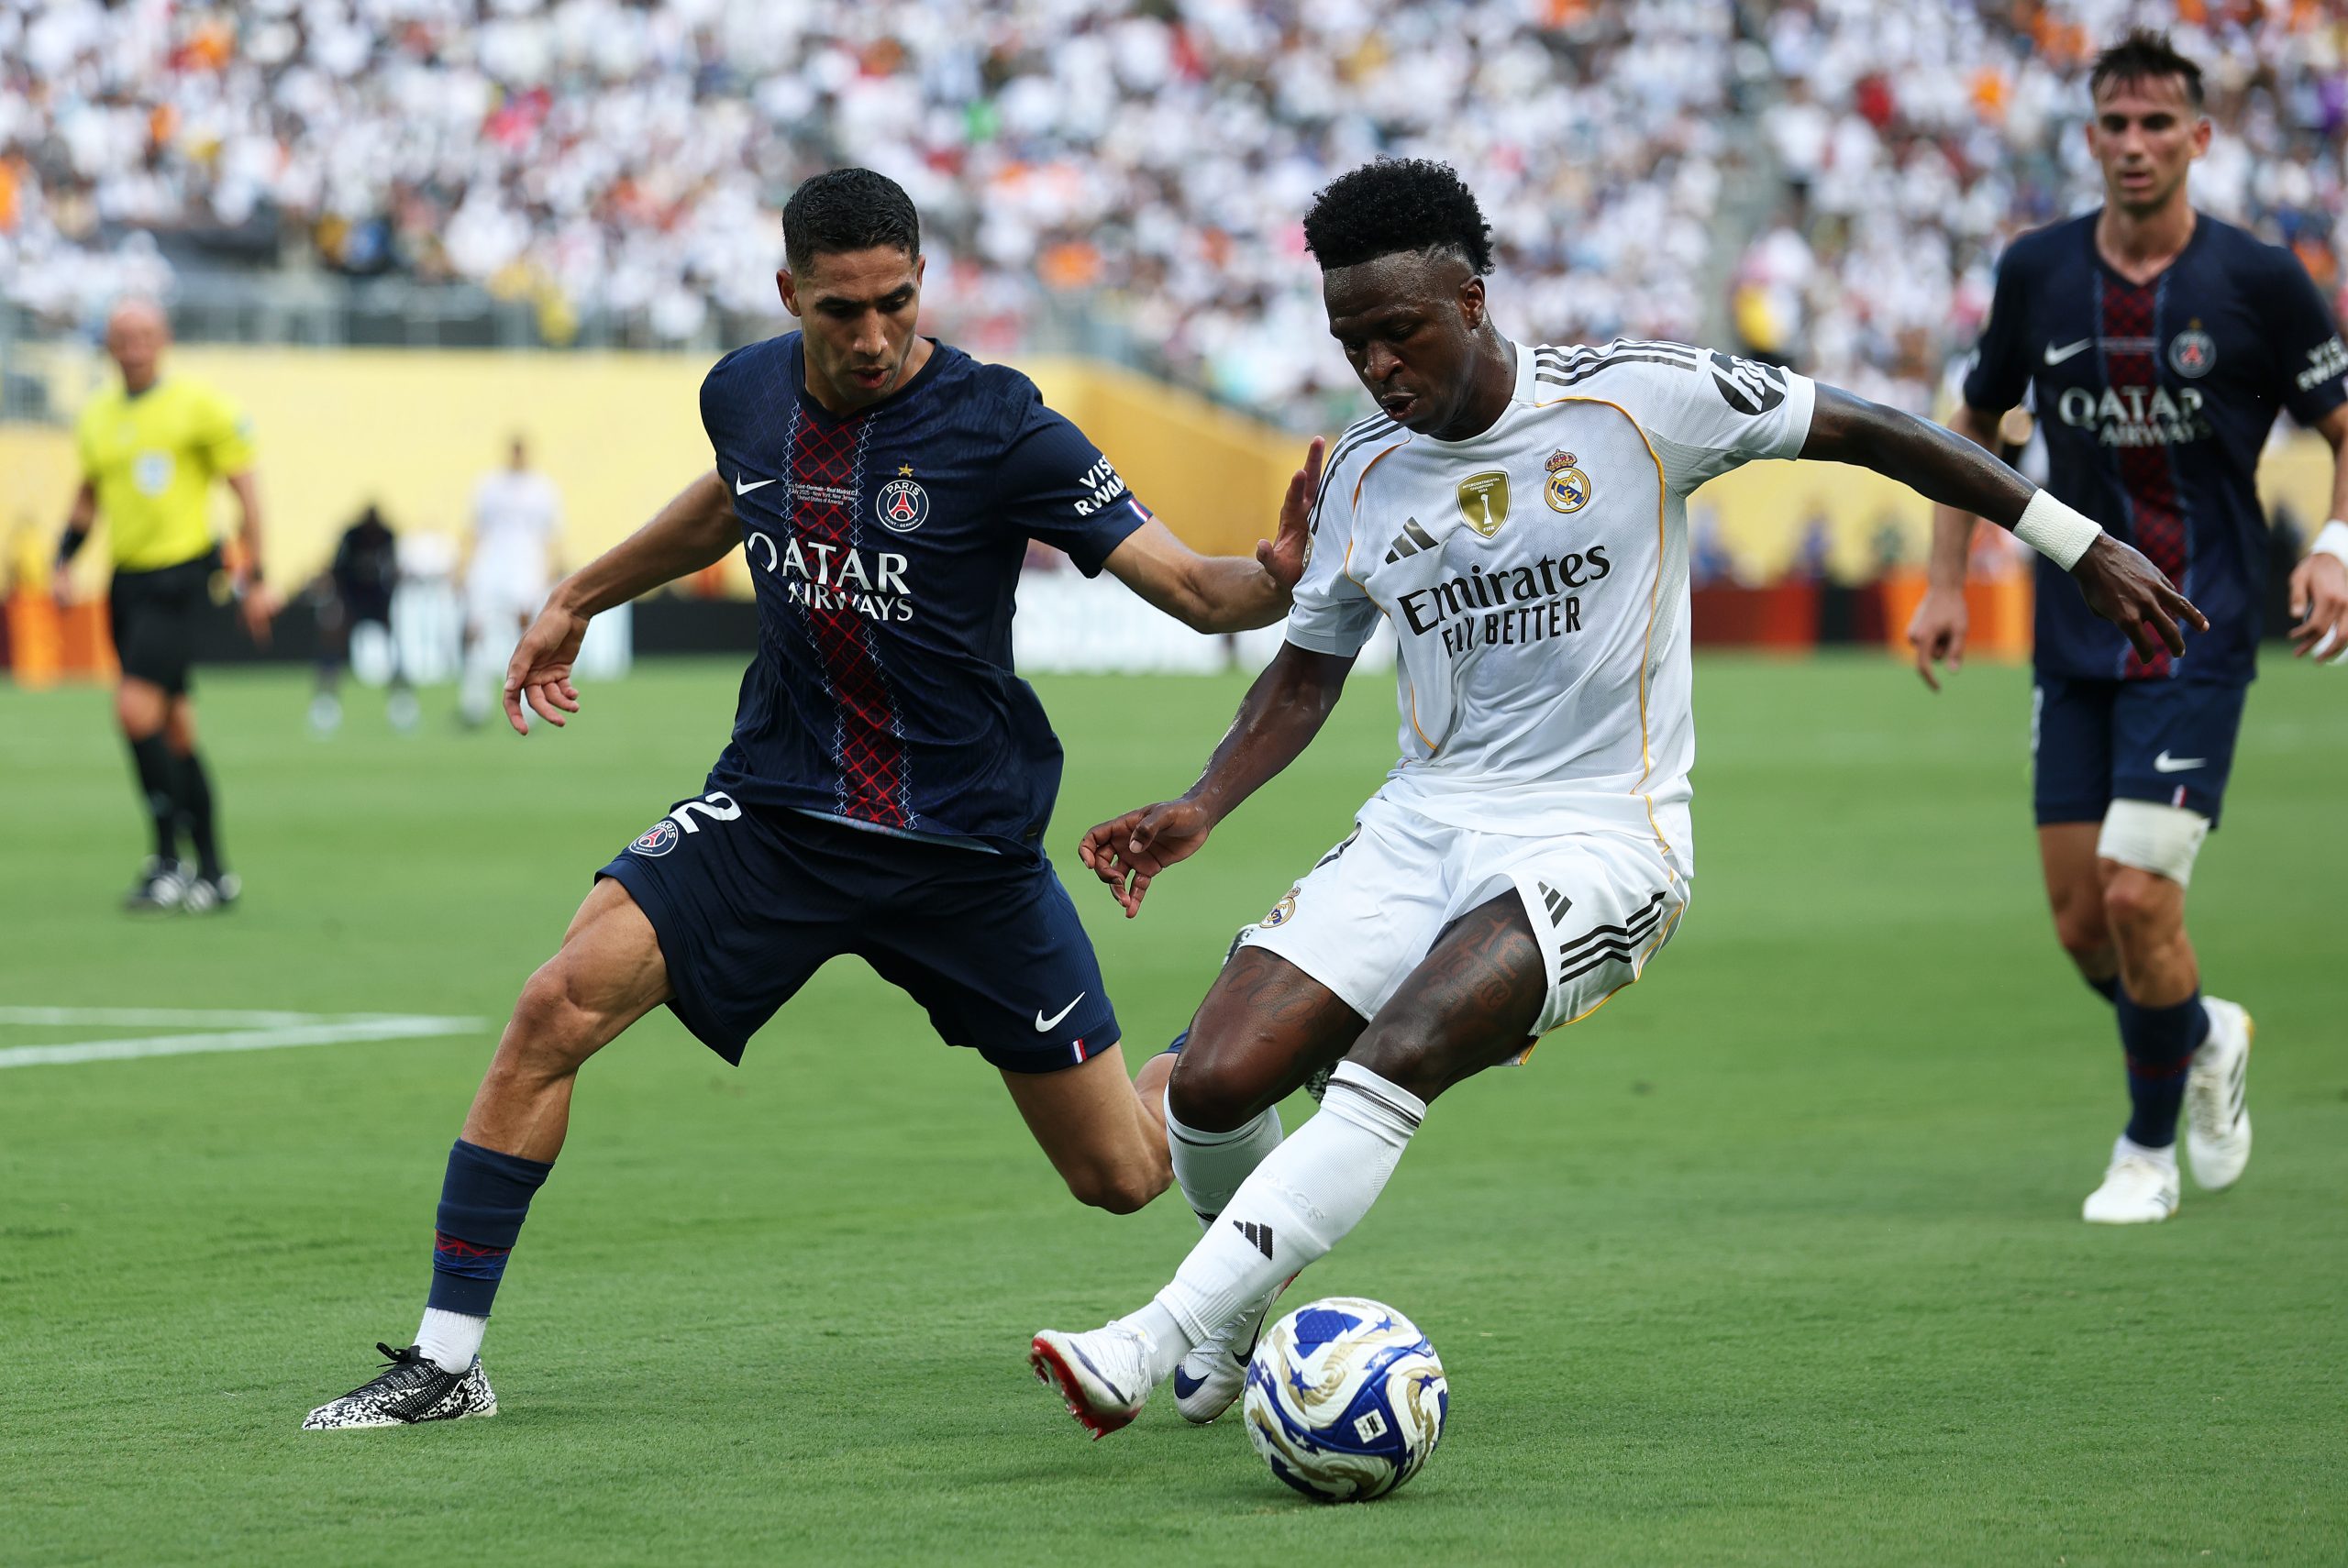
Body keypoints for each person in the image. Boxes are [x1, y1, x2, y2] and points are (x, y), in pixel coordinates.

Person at [1024, 157, 2199, 1437]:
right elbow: (1302, 681)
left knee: (1394, 1054)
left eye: (1400, 331)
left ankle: (1148, 1339)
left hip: (1604, 835)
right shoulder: (1364, 471)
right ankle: (1241, 1305)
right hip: (1425, 818)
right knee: (1209, 1086)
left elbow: (1871, 429)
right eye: (1352, 341)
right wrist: (1204, 803)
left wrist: (2077, 544)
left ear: (1471, 298)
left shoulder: (1640, 400)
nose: (1377, 366)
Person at [303, 167, 1316, 1430]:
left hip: (963, 849)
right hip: (777, 813)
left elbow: (1196, 590)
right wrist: (578, 595)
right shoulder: (743, 391)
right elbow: (728, 502)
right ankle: (445, 1364)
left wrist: (1275, 574)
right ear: (790, 294)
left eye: (897, 301)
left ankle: (1207, 1072)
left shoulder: (1003, 425)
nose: (876, 335)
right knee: (553, 1003)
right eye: (843, 310)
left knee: (1120, 1174)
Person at [1907, 31, 2348, 1226]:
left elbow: (2344, 423)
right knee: (2078, 919)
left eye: (2161, 124)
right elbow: (1978, 422)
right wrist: (1949, 579)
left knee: (2138, 897)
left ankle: (2145, 1151)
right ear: (2090, 138)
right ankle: (2203, 1028)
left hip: (2199, 633)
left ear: (2200, 139)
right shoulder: (2039, 271)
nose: (2137, 144)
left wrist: (2335, 551)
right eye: (2116, 124)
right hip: (2073, 632)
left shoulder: (2259, 281)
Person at [55, 298, 275, 913]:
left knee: (133, 710)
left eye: (145, 335)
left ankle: (166, 862)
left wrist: (256, 575)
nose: (134, 347)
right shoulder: (96, 416)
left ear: (165, 340)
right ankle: (212, 870)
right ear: (107, 345)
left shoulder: (196, 405)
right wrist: (63, 558)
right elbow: (88, 497)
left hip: (184, 577)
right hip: (126, 583)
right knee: (174, 727)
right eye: (123, 337)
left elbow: (245, 489)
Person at [458, 436, 562, 729]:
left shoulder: (542, 489)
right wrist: (464, 569)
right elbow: (475, 530)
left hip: (525, 570)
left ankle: (530, 706)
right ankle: (474, 704)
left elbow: (551, 537)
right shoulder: (489, 486)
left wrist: (546, 575)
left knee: (527, 637)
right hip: (490, 569)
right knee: (476, 634)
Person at [311, 502, 416, 734]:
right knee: (334, 647)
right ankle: (325, 703)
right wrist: (339, 603)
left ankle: (402, 702)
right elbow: (336, 569)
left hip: (378, 601)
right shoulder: (351, 537)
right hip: (353, 600)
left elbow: (392, 570)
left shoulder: (387, 536)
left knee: (394, 649)